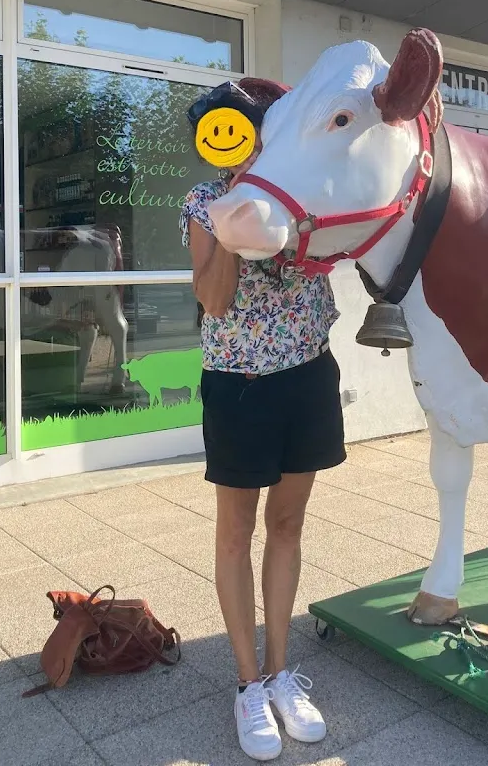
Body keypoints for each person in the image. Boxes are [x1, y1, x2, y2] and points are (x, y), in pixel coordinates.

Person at [181, 79, 346, 762]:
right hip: (239, 384)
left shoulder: (303, 193)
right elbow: (215, 303)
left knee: (288, 524)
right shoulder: (199, 202)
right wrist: (227, 227)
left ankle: (280, 673)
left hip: (308, 376)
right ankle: (247, 685)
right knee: (235, 533)